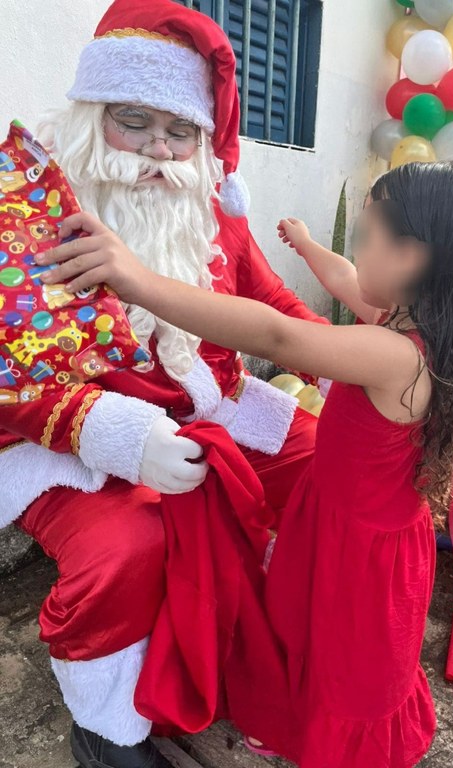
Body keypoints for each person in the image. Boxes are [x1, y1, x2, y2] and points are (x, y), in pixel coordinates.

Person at [41, 159, 453, 768]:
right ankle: (293, 716)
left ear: (413, 255)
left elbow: (277, 337)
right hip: (336, 518)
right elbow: (345, 280)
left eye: (366, 235)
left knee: (344, 654)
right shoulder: (419, 322)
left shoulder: (395, 354)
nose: (356, 250)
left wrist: (137, 280)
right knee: (303, 628)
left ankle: (331, 742)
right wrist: (311, 247)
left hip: (360, 549)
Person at [0, 1, 325, 765]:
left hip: (209, 400)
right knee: (131, 546)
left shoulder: (212, 208)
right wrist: (112, 433)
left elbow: (271, 306)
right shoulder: (34, 214)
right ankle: (104, 722)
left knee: (322, 459)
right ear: (93, 114)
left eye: (181, 131)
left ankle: (268, 638)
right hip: (70, 439)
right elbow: (10, 364)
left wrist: (346, 365)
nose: (157, 149)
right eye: (135, 121)